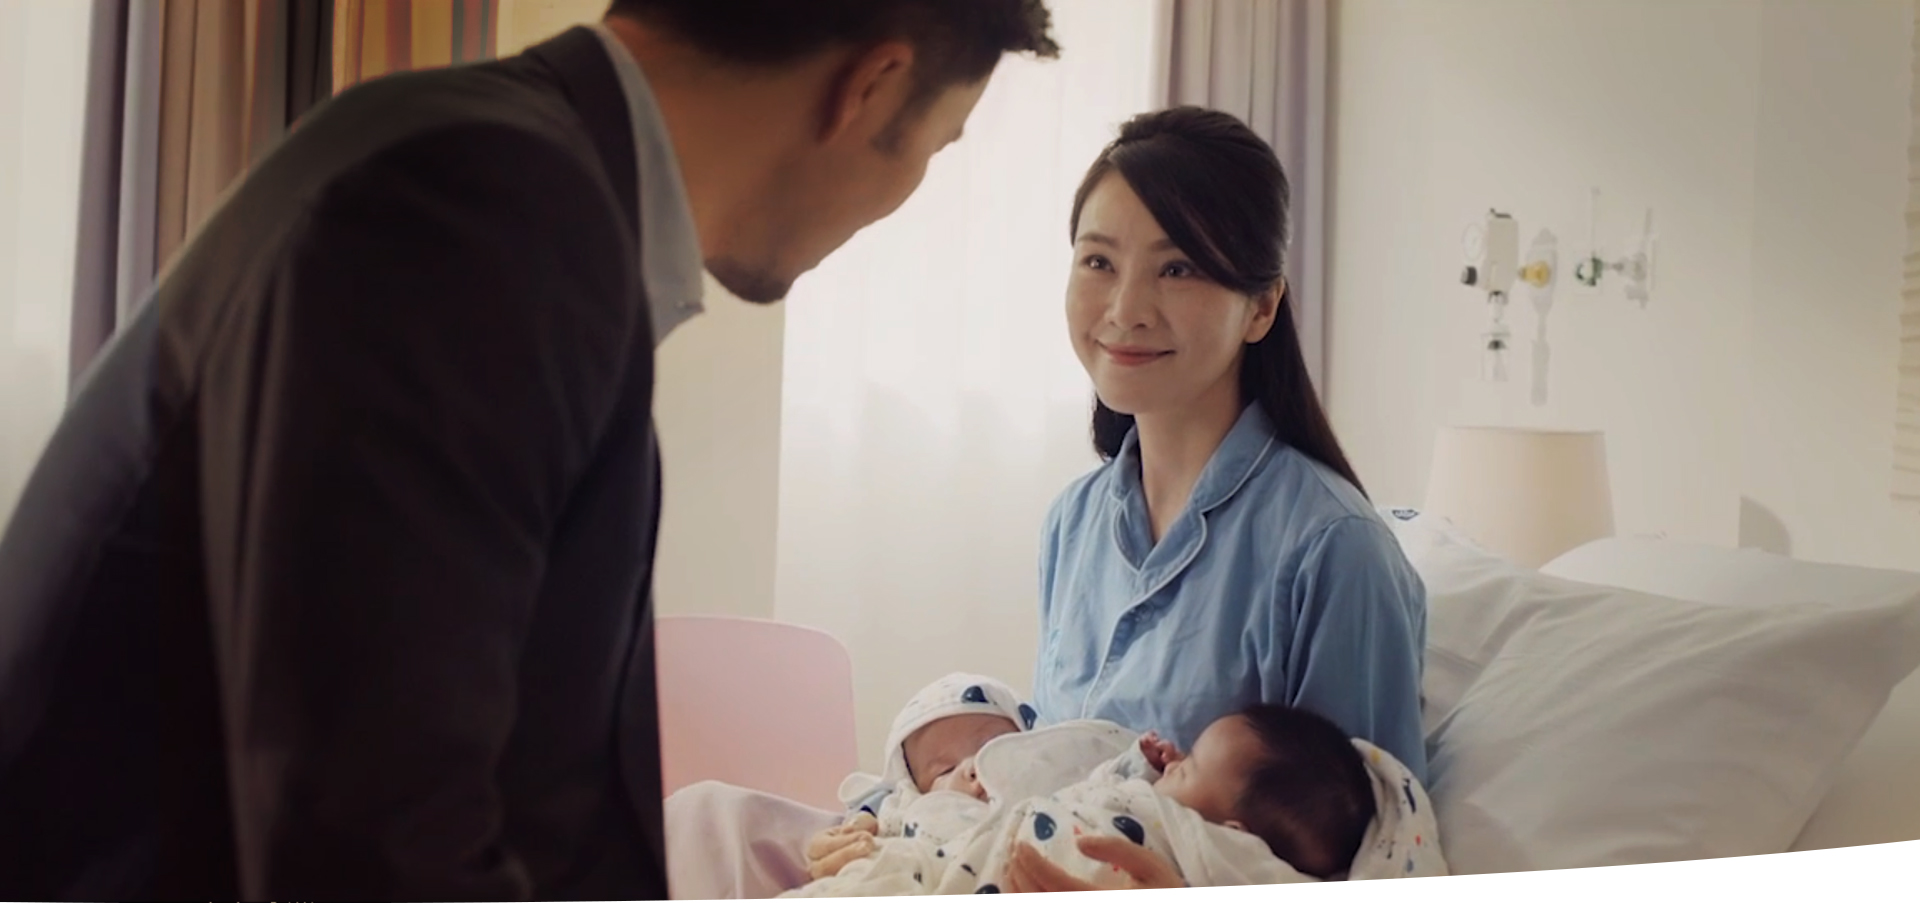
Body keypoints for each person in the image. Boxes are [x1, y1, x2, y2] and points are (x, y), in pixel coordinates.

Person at [0, 0, 1059, 899]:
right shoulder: (474, 210)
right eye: (937, 148)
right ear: (870, 87)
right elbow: (374, 837)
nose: (907, 191)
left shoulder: (491, 171)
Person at [664, 104, 1427, 898]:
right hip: (999, 858)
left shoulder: (1335, 550)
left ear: (1261, 306)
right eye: (1099, 261)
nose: (1125, 308)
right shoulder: (1076, 521)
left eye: (1178, 269)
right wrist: (887, 821)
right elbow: (1052, 771)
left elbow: (1382, 859)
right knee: (706, 822)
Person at [791, 703, 1412, 896]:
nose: (1176, 762)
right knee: (725, 813)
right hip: (987, 831)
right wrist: (870, 815)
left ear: (1234, 830)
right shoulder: (1074, 519)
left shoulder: (1230, 857)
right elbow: (1078, 774)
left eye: (1192, 765)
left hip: (990, 864)